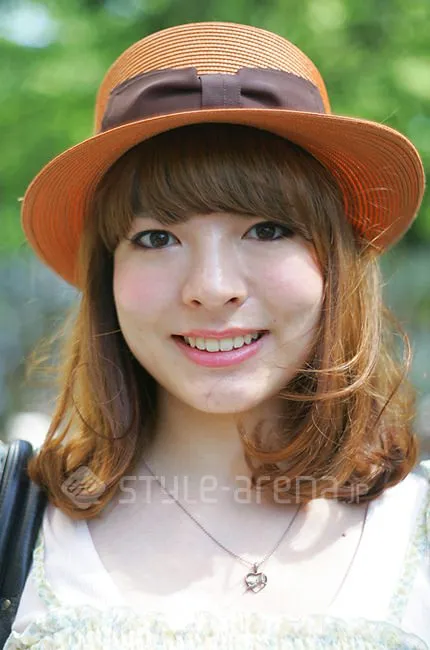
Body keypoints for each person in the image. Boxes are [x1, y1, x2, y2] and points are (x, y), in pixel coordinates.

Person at [4, 20, 429, 650]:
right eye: (157, 237)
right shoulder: (17, 524)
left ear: (334, 265)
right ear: (107, 275)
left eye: (267, 230)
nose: (211, 286)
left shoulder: (415, 532)